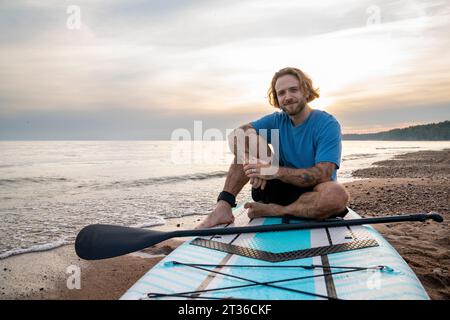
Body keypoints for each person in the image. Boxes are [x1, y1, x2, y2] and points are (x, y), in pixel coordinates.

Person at [198, 67, 349, 228]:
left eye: (293, 90)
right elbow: (237, 134)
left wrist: (272, 171)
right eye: (281, 93)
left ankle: (276, 211)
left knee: (337, 195)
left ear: (306, 91)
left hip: (313, 195)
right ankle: (223, 208)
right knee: (248, 140)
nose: (288, 97)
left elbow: (323, 174)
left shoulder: (327, 124)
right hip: (274, 188)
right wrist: (251, 163)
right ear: (276, 98)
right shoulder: (277, 120)